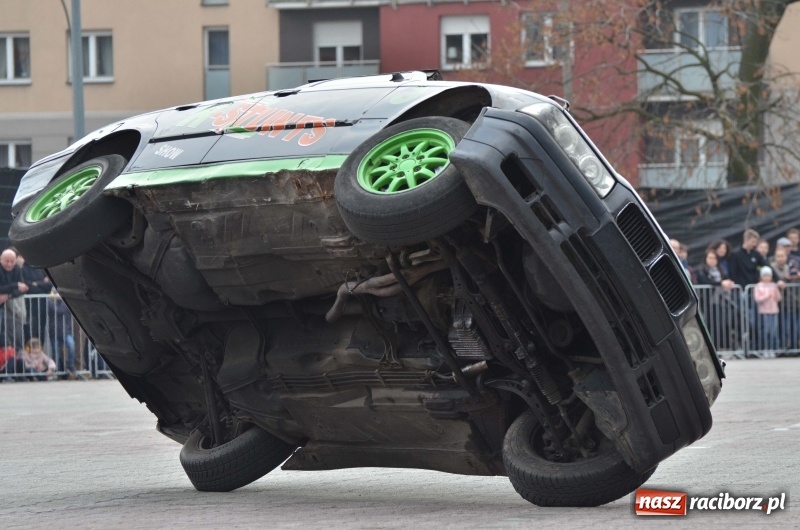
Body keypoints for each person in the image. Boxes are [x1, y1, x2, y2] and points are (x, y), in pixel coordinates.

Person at [694, 249, 736, 349]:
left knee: (722, 325)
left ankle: (723, 346)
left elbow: (725, 279)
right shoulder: (701, 269)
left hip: (720, 302)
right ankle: (712, 348)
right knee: (709, 325)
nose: (712, 260)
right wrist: (721, 283)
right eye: (710, 258)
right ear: (706, 258)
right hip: (707, 301)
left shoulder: (720, 270)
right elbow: (705, 281)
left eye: (714, 258)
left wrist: (729, 283)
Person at [0, 248, 30, 370]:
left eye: (12, 261)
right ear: (1, 260)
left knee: (16, 337)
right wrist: (14, 286)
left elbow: (23, 289)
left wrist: (8, 295)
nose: (9, 264)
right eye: (7, 261)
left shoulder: (17, 269)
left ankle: (13, 368)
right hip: (4, 308)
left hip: (10, 307)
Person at [753, 267, 783, 357]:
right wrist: (767, 295)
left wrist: (776, 292)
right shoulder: (758, 286)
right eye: (765, 275)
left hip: (774, 311)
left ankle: (772, 349)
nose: (767, 277)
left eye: (769, 275)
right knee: (765, 331)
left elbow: (779, 298)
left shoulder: (773, 285)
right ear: (762, 276)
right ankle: (765, 349)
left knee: (773, 331)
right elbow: (757, 298)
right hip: (764, 311)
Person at [47, 290, 77, 378]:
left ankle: (70, 366)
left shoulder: (65, 303)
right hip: (54, 331)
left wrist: (62, 300)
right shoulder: (50, 302)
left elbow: (64, 310)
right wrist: (57, 300)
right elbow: (58, 310)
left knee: (71, 345)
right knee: (55, 352)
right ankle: (57, 371)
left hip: (66, 330)